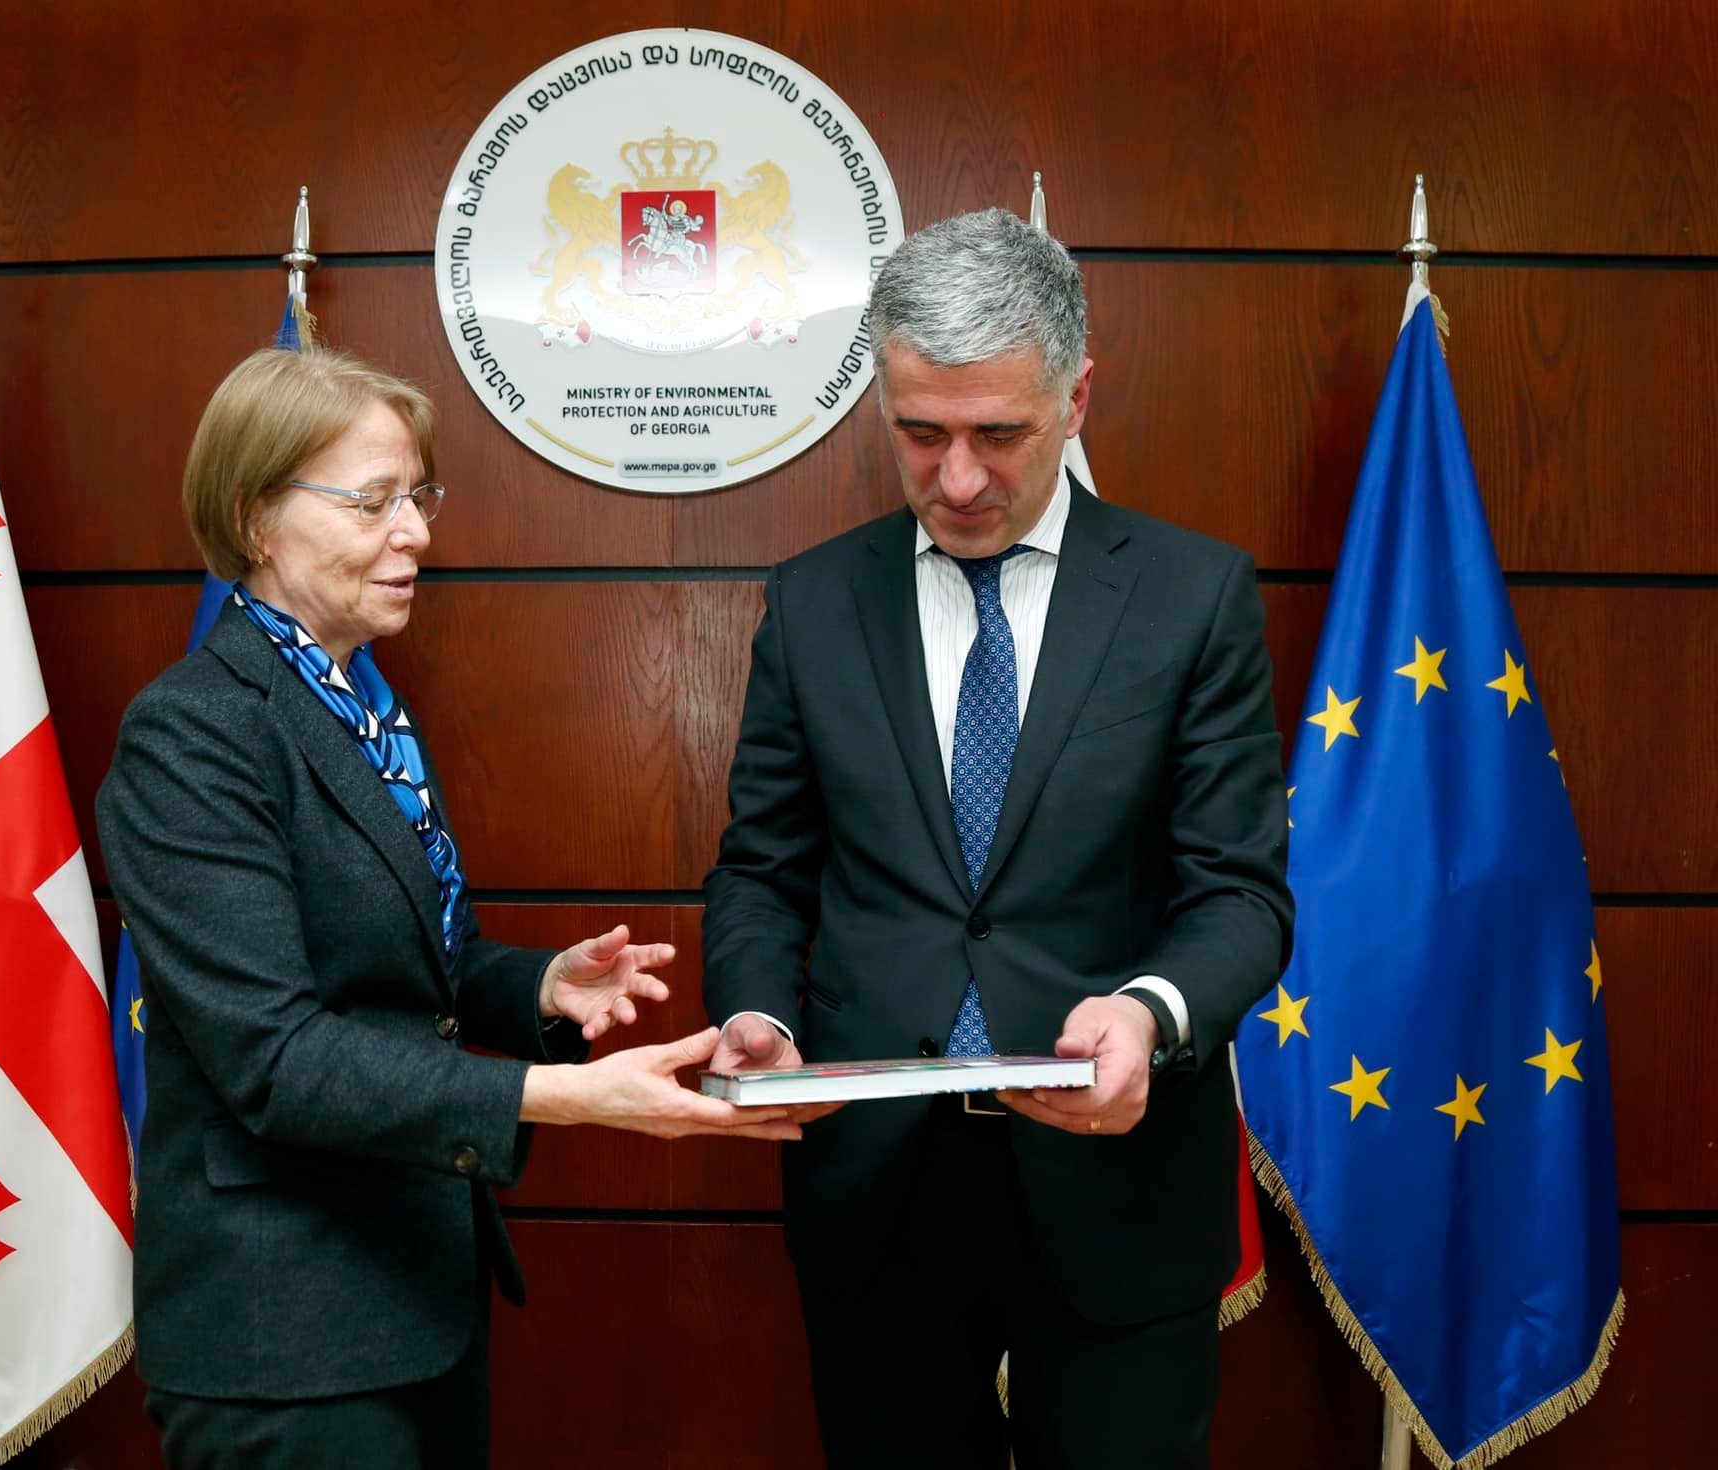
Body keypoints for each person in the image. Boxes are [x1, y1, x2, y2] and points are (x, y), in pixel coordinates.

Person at [97, 345, 805, 1470]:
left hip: (410, 1294)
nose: (415, 533)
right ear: (254, 519)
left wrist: (540, 987)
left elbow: (408, 969)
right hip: (283, 1333)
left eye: (418, 496)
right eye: (371, 502)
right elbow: (275, 1055)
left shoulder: (361, 707)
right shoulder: (193, 733)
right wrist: (564, 1098)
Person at [702, 208, 1294, 1468]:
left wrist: (1145, 1012)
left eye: (997, 435)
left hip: (1117, 1176)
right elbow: (761, 870)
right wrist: (757, 1014)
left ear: (1075, 398)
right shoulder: (812, 602)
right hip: (877, 1187)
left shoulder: (1192, 596)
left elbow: (1239, 894)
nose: (957, 481)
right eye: (919, 433)